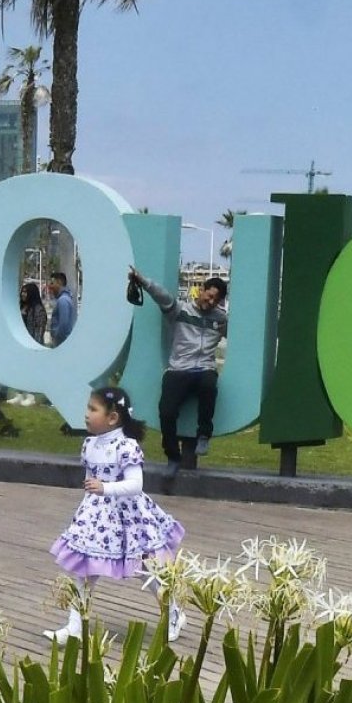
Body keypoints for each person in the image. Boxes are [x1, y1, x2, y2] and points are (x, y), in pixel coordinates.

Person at [45, 387, 185, 643]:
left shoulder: (126, 446)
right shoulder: (89, 444)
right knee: (84, 568)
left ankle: (172, 611)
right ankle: (75, 624)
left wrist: (105, 488)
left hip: (130, 517)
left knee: (146, 567)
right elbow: (89, 482)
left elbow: (135, 485)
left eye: (93, 409)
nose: (86, 414)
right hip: (97, 517)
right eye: (88, 408)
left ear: (113, 418)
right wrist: (87, 509)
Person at [129, 269, 228, 476]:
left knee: (209, 384)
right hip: (179, 369)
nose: (211, 303)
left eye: (216, 301)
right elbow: (161, 295)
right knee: (166, 412)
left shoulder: (221, 319)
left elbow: (241, 332)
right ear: (201, 291)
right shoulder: (180, 310)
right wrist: (142, 280)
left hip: (204, 369)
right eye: (209, 296)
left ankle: (203, 435)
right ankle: (173, 456)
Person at [7, 282, 48, 406]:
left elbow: (39, 329)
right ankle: (19, 394)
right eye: (22, 291)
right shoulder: (20, 307)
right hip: (19, 344)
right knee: (19, 370)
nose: (23, 294)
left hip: (31, 344)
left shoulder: (38, 309)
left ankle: (31, 396)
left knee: (32, 371)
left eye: (26, 292)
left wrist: (35, 345)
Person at [47, 272, 76, 346]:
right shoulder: (65, 299)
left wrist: (56, 341)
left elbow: (63, 326)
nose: (50, 287)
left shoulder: (63, 300)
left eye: (52, 283)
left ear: (59, 282)